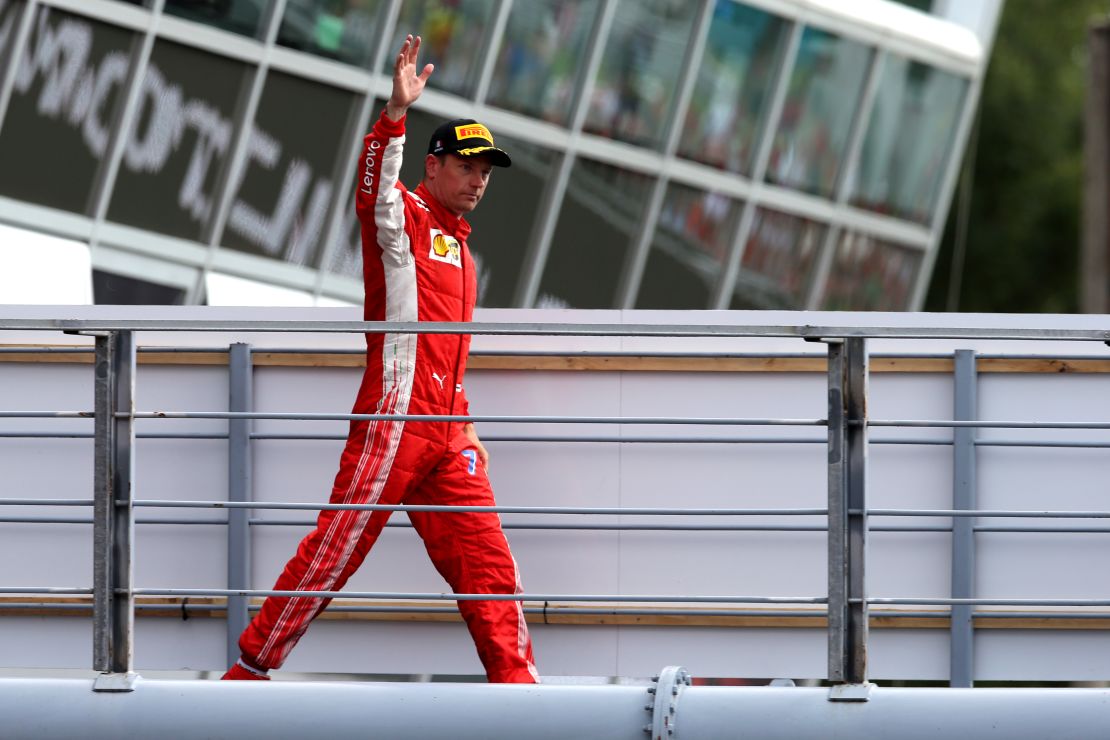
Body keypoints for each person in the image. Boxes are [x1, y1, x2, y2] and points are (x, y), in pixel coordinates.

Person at [221, 34, 539, 684]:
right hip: (393, 424)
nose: (480, 178)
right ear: (433, 165)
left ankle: (521, 691)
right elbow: (371, 190)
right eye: (469, 164)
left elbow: (447, 355)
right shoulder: (404, 220)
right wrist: (394, 114)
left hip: (446, 433)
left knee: (489, 566)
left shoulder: (463, 249)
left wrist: (466, 420)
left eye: (488, 169)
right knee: (334, 552)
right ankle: (249, 674)